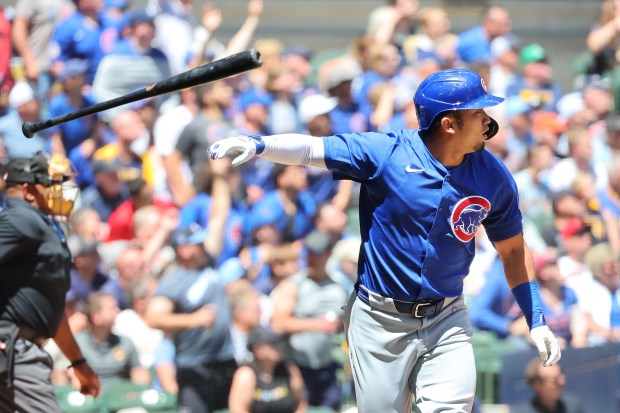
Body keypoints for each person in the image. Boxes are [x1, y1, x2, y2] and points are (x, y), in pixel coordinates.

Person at [208, 68, 562, 413]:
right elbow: (312, 150)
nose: (488, 120)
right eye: (478, 112)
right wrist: (258, 144)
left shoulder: (493, 176)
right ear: (449, 124)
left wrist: (536, 318)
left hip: (446, 317)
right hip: (379, 320)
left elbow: (513, 250)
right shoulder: (388, 151)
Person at [0, 152, 100, 411]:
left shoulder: (39, 224)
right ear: (29, 190)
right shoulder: (20, 219)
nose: (62, 191)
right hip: (13, 353)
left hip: (21, 350)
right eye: (53, 184)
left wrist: (77, 362)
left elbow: (51, 310)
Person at [228, 326, 307, 413]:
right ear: (258, 351)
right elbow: (238, 409)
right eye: (274, 343)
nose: (279, 346)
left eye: (280, 342)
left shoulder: (289, 370)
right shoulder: (246, 375)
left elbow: (300, 403)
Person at [511, 358, 584, 413]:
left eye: (561, 376)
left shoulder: (573, 405)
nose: (562, 382)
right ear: (537, 385)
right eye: (555, 380)